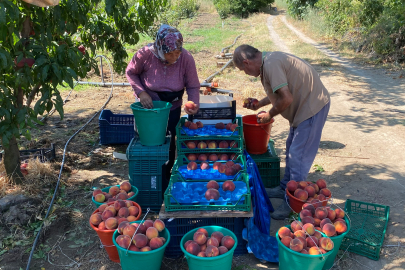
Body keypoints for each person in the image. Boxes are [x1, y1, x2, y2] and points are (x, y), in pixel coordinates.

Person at [233, 45, 330, 220]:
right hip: (302, 107)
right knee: (290, 146)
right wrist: (260, 105)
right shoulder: (268, 62)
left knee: (298, 155)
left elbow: (286, 98)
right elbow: (279, 92)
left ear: (247, 62)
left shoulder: (271, 64)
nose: (246, 73)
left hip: (312, 107)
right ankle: (285, 186)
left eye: (243, 69)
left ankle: (293, 201)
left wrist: (269, 114)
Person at [126, 24, 200, 189]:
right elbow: (131, 72)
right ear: (160, 48)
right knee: (146, 144)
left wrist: (193, 103)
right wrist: (141, 93)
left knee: (169, 145)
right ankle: (145, 180)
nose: (175, 57)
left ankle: (164, 180)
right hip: (148, 110)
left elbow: (193, 86)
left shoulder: (186, 58)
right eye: (170, 53)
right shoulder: (144, 55)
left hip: (172, 108)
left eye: (177, 52)